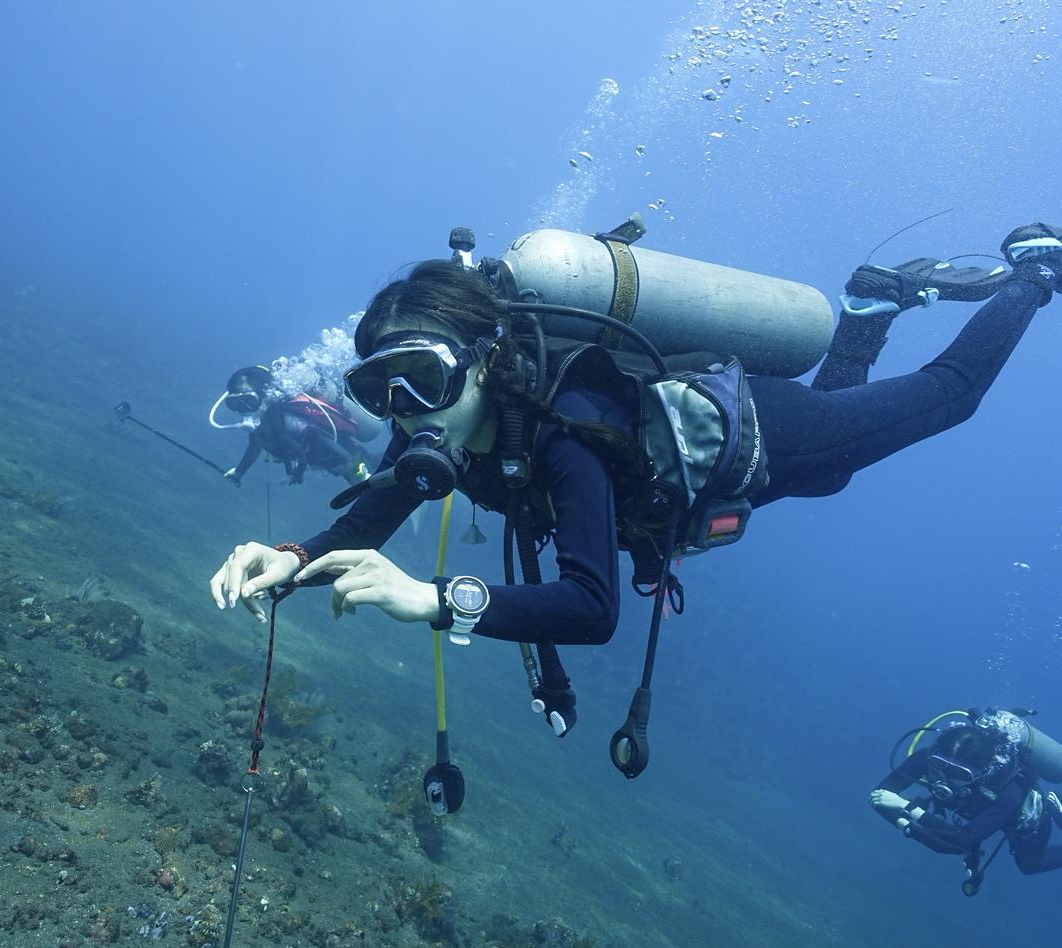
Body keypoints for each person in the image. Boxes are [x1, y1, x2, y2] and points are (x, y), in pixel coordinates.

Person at [208, 223, 1062, 711]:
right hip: (695, 475)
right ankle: (867, 311)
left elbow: (592, 608)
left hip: (767, 434)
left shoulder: (565, 427)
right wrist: (288, 560)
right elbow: (369, 518)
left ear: (483, 359)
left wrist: (433, 598)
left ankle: (1033, 272)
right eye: (377, 389)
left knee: (945, 399)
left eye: (422, 378)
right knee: (833, 479)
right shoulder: (433, 423)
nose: (404, 408)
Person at [870, 711, 1062, 884]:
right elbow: (878, 795)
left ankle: (1055, 807)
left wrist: (906, 807)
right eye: (939, 766)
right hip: (977, 810)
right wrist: (907, 825)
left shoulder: (1011, 791)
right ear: (934, 755)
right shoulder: (926, 758)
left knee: (1030, 865)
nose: (945, 778)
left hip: (1019, 817)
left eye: (960, 774)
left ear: (981, 772)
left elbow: (964, 840)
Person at [212, 366, 380, 485]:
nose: (243, 409)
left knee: (374, 488)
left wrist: (297, 474)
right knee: (374, 483)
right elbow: (254, 447)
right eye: (235, 404)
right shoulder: (262, 422)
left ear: (262, 394)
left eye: (249, 401)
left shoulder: (276, 415)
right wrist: (239, 471)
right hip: (338, 459)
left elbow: (299, 449)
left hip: (346, 459)